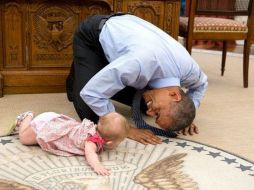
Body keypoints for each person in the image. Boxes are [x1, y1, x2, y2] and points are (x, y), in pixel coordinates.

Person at [66, 13, 208, 145]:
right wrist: (126, 129)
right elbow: (91, 93)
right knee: (91, 114)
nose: (149, 113)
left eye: (155, 116)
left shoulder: (190, 71)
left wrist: (186, 114)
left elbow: (201, 85)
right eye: (157, 113)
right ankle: (81, 70)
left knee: (142, 103)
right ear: (175, 95)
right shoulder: (138, 64)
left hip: (129, 44)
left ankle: (94, 71)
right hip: (93, 37)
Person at [14, 111, 130, 176]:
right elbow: (91, 155)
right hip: (46, 127)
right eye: (120, 141)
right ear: (109, 142)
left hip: (56, 122)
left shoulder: (93, 128)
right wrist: (97, 165)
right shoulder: (91, 141)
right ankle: (27, 116)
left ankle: (31, 120)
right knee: (23, 138)